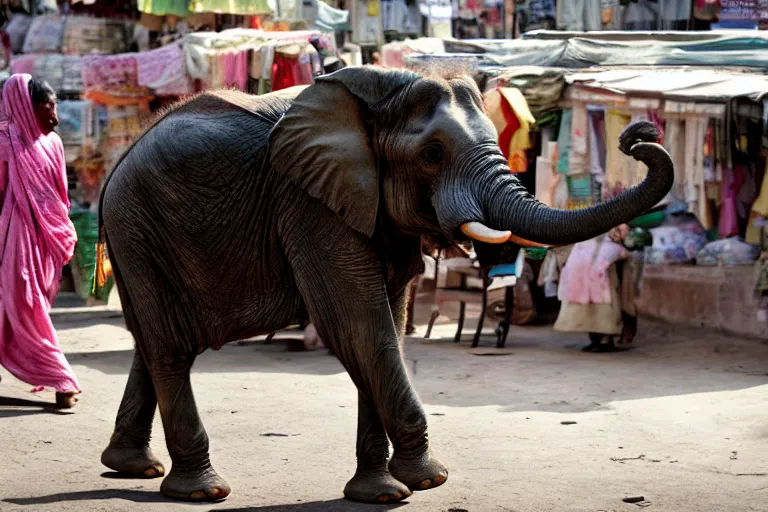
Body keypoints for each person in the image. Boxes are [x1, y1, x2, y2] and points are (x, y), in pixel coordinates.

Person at [0, 74, 80, 408]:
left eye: (55, 104)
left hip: (49, 239)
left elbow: (62, 195)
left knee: (16, 309)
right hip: (15, 237)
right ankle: (61, 378)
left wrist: (59, 229)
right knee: (26, 306)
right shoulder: (5, 141)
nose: (55, 114)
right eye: (47, 105)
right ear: (25, 107)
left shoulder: (55, 143)